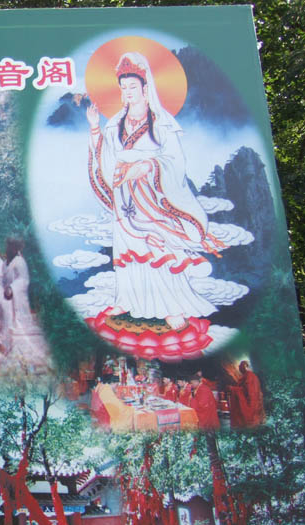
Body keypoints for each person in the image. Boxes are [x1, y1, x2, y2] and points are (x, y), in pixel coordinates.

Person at [86, 51, 227, 330]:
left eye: (132, 86)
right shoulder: (115, 124)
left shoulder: (161, 123)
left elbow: (175, 161)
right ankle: (127, 299)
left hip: (154, 197)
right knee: (128, 246)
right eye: (123, 87)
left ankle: (171, 306)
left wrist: (147, 166)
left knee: (156, 246)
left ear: (145, 87)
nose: (127, 92)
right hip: (125, 195)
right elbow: (106, 157)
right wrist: (94, 129)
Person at [229, 360, 266, 427]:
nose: (239, 368)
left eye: (240, 366)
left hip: (252, 403)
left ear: (244, 367)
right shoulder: (246, 376)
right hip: (254, 402)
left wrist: (233, 389)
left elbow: (248, 391)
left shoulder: (250, 376)